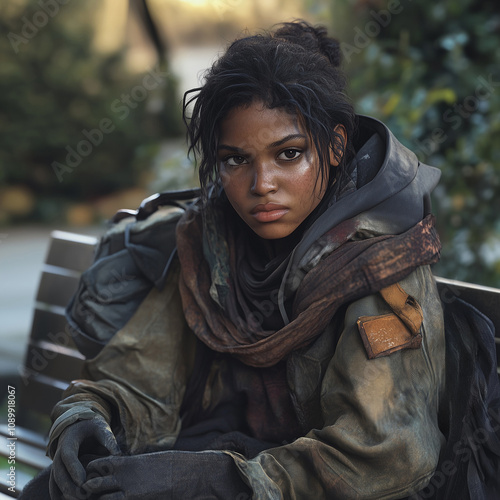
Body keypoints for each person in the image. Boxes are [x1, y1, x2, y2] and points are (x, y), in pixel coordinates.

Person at [20, 20, 500, 500]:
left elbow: (388, 456)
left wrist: (214, 479)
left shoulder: (380, 268)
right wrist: (86, 417)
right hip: (220, 455)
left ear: (334, 147)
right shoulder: (208, 245)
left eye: (288, 154)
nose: (261, 184)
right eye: (235, 160)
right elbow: (136, 379)